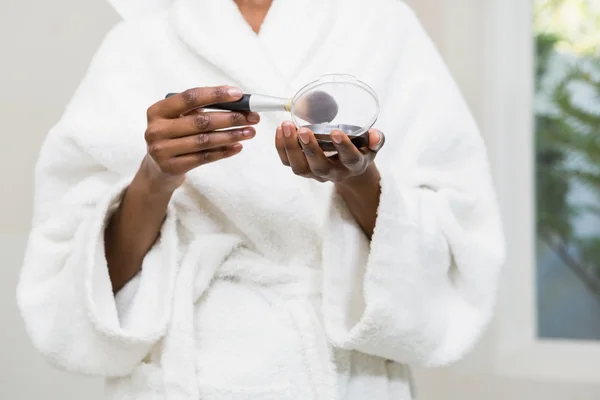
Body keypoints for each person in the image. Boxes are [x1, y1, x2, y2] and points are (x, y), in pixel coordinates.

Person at [16, 0, 506, 399]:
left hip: (339, 375)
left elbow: (455, 245)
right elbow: (81, 284)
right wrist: (156, 175)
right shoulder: (139, 39)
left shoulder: (382, 22)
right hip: (181, 372)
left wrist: (357, 178)